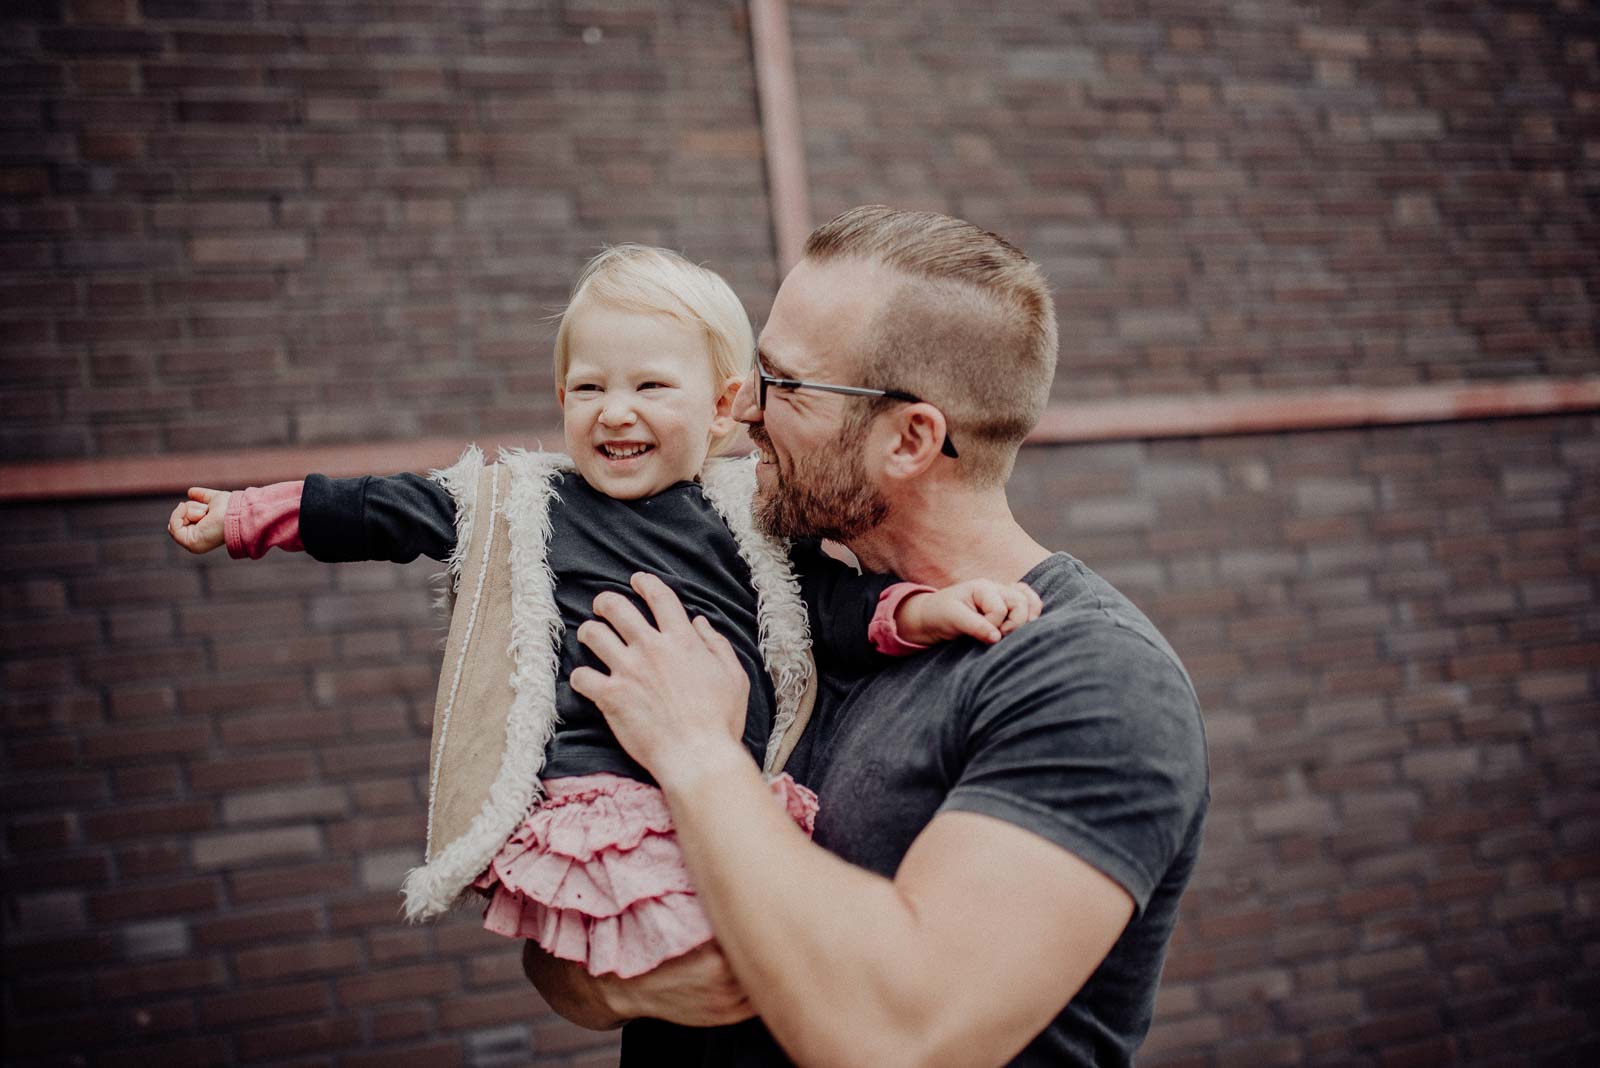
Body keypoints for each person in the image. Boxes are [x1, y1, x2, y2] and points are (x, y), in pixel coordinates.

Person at [168, 243, 1042, 984]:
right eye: (587, 388)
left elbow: (834, 607)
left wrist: (924, 612)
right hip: (605, 787)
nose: (614, 411)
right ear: (560, 404)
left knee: (773, 940)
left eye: (651, 386)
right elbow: (380, 509)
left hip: (733, 791)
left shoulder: (750, 516)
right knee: (698, 959)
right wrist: (247, 517)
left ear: (725, 405)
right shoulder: (526, 504)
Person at [523, 207, 1210, 1066]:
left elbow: (900, 1038)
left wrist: (696, 750)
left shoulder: (1091, 677)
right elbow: (560, 956)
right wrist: (607, 980)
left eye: (785, 385)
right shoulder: (763, 585)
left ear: (911, 438)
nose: (742, 416)